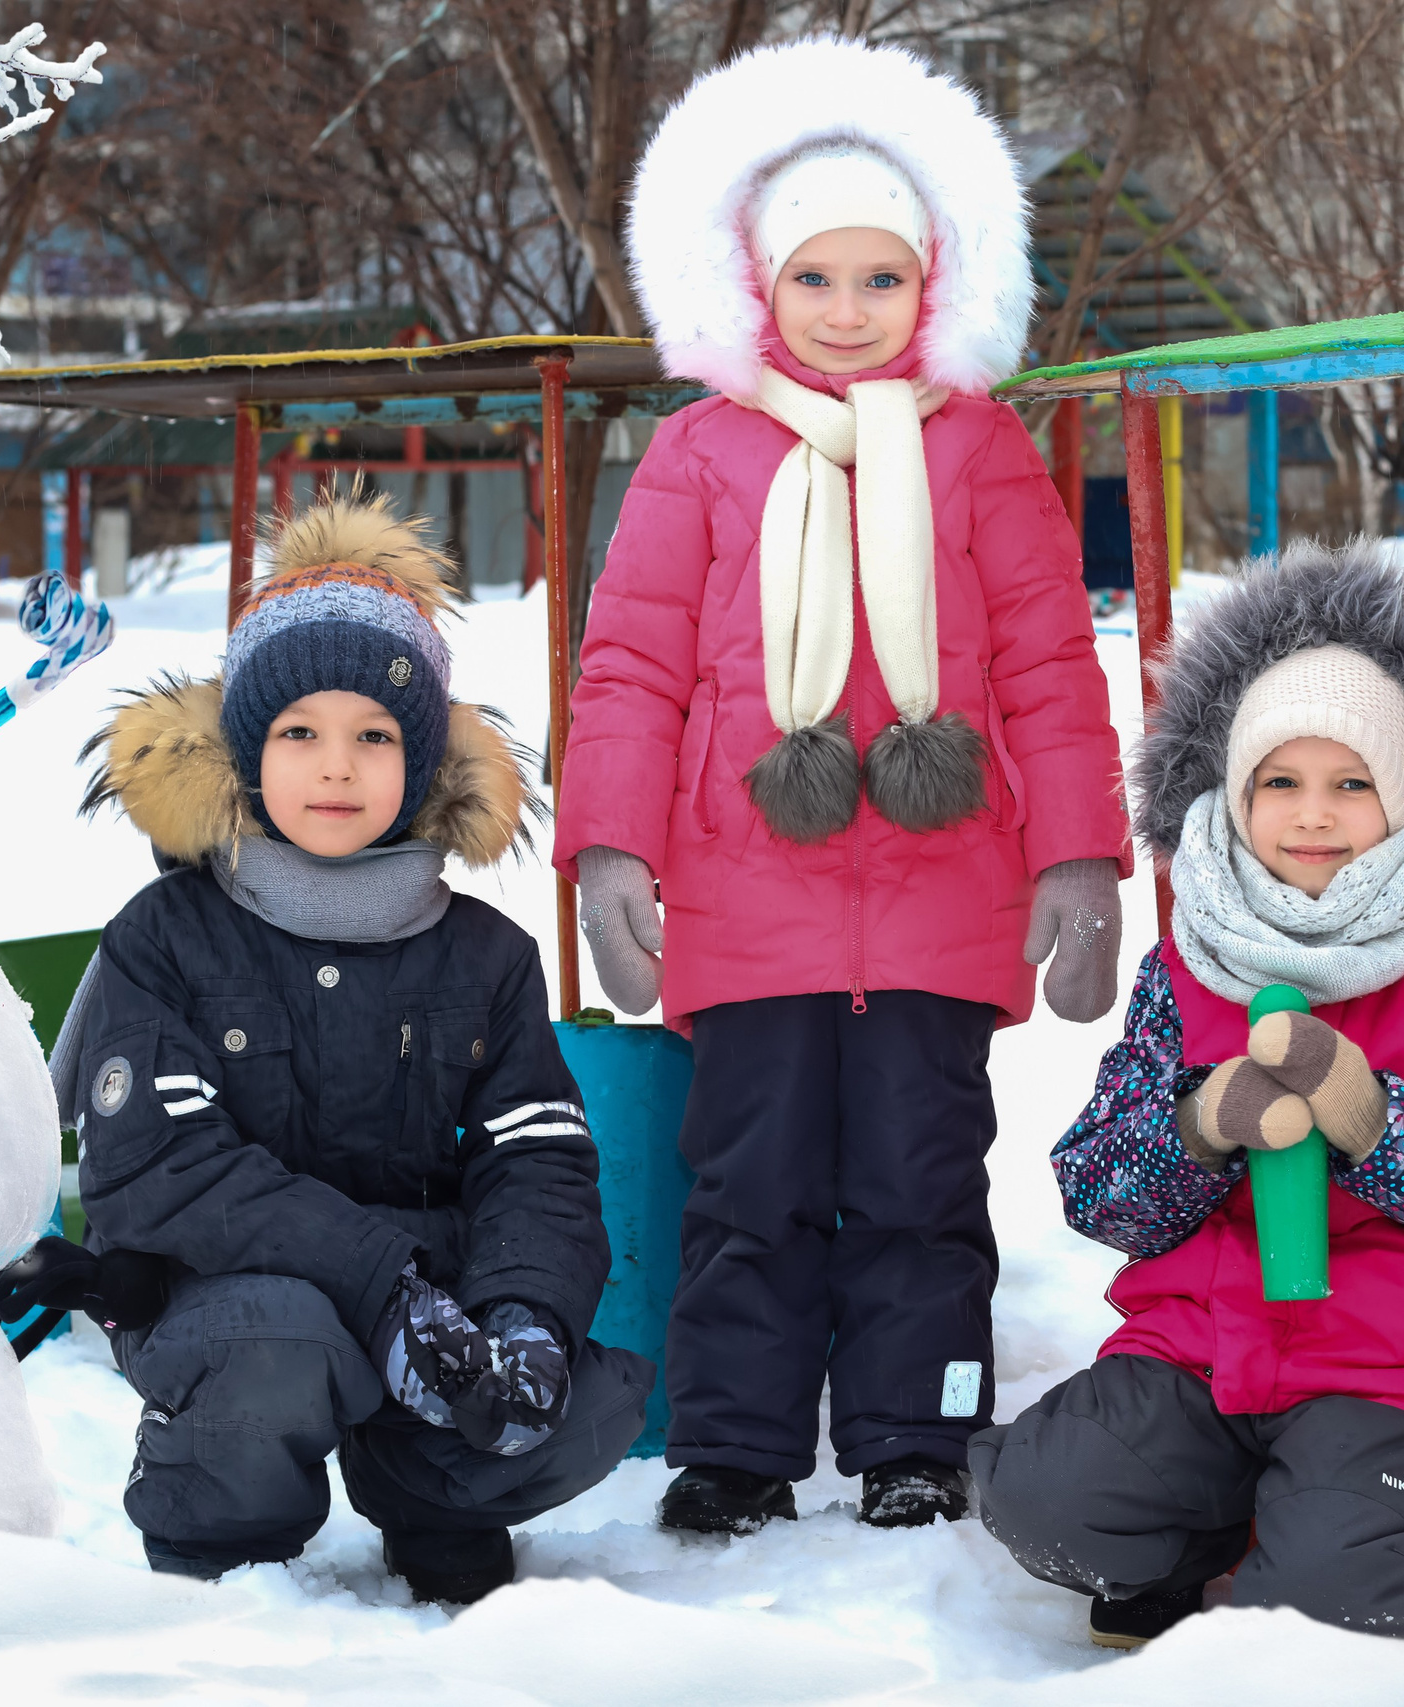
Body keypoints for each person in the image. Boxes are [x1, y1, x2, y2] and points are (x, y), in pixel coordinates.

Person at [556, 37, 1132, 1535]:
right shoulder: (699, 456)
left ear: (933, 285)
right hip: (749, 889)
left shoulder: (984, 452)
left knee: (921, 1184)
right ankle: (736, 1443)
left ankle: (917, 1431)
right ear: (757, 284)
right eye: (817, 279)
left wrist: (1077, 861)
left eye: (882, 280)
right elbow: (630, 667)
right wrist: (612, 847)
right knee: (746, 1186)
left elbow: (1049, 669)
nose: (849, 310)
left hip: (946, 891)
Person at [967, 542, 1404, 1647]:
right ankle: (1205, 1530)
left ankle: (1332, 1545)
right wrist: (1198, 1126)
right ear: (1235, 794)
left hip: (1396, 1375)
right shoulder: (1184, 968)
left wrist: (1378, 1121)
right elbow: (1097, 1192)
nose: (1312, 816)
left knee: (1315, 1622)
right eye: (1280, 782)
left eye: (1351, 783)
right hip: (1200, 1355)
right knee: (1041, 1504)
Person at [28, 493, 652, 1601]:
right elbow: (164, 1172)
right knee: (284, 1335)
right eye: (299, 733)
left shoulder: (485, 955)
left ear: (419, 764)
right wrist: (387, 1289)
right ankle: (217, 1538)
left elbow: (539, 1163)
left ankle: (434, 1495)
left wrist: (521, 1316)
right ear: (245, 753)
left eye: (373, 736)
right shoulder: (167, 935)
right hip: (221, 1303)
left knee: (582, 1397)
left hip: (432, 1307)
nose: (336, 767)